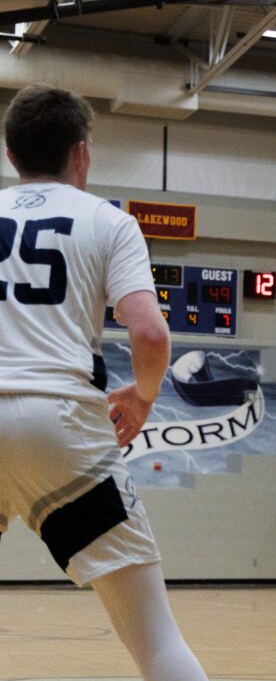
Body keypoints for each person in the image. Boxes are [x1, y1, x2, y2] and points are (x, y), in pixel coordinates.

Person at [0, 84, 207, 680]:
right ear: (82, 153)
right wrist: (142, 399)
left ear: (12, 156)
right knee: (156, 641)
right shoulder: (108, 221)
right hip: (62, 428)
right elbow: (149, 336)